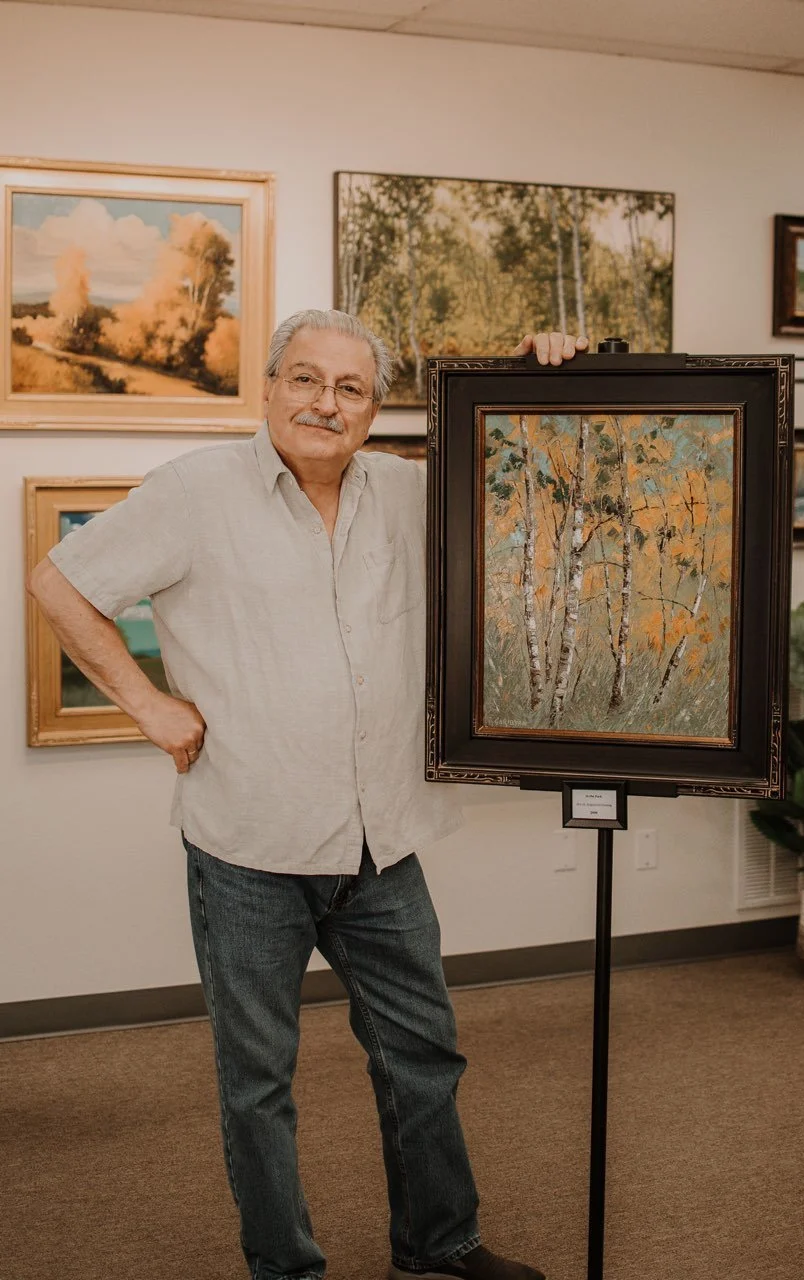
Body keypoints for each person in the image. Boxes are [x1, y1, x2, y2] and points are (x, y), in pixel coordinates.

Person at [27, 312, 588, 1280]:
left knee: (423, 1058)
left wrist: (550, 382)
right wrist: (148, 704)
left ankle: (437, 1241)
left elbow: (536, 492)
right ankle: (284, 1268)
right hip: (247, 841)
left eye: (351, 388)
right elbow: (58, 579)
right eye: (304, 378)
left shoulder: (413, 492)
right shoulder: (196, 493)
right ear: (270, 387)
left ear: (376, 409)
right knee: (257, 1084)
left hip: (383, 842)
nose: (324, 402)